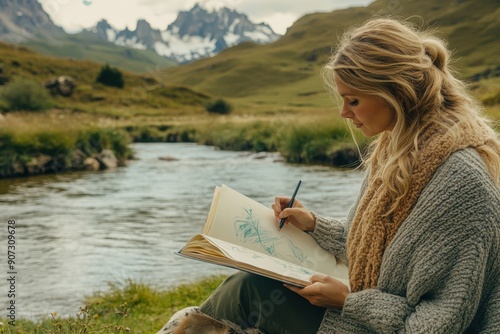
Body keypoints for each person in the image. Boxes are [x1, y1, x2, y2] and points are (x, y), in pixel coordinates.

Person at [157, 17, 500, 334]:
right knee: (247, 287)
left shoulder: (459, 182)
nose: (343, 113)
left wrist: (348, 302)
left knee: (246, 293)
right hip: (372, 315)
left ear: (394, 92)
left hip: (376, 323)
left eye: (353, 100)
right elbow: (376, 246)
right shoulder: (404, 148)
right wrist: (313, 225)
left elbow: (439, 323)